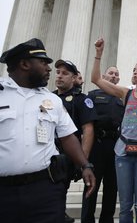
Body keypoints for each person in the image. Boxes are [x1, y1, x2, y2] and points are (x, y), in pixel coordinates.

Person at [0, 38, 95, 223]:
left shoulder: (52, 100)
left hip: (45, 189)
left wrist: (85, 165)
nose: (49, 69)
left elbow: (68, 137)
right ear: (25, 64)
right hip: (4, 192)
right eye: (43, 63)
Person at [91, 38, 137, 223]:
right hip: (123, 154)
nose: (134, 72)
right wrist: (98, 54)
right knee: (125, 205)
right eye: (133, 70)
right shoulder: (126, 93)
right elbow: (96, 79)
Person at [53, 59, 98, 223]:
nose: (59, 76)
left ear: (74, 78)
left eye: (65, 73)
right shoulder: (48, 98)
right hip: (46, 154)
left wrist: (82, 161)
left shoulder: (81, 100)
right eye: (57, 72)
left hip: (67, 155)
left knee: (59, 192)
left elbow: (88, 130)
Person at [81, 66, 124, 223]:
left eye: (116, 74)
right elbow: (86, 122)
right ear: (104, 76)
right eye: (111, 73)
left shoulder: (123, 98)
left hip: (116, 146)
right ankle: (87, 219)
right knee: (91, 185)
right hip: (97, 145)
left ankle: (107, 220)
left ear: (118, 79)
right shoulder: (92, 95)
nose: (113, 76)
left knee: (112, 188)